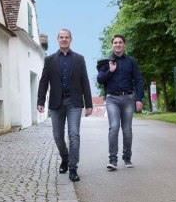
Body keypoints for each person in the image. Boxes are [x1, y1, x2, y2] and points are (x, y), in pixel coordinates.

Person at [37, 29, 93, 182]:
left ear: (71, 39)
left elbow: (85, 82)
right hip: (56, 102)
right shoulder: (50, 60)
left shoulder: (79, 59)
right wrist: (40, 101)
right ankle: (65, 158)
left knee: (74, 135)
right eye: (61, 37)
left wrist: (89, 103)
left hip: (74, 102)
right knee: (57, 136)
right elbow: (44, 81)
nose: (64, 40)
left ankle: (73, 168)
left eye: (66, 37)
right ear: (57, 39)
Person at [97, 34, 143, 170]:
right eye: (115, 42)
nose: (118, 44)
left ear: (124, 44)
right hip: (112, 99)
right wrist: (110, 72)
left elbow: (139, 80)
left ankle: (127, 158)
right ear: (112, 45)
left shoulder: (131, 62)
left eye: (120, 42)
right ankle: (113, 160)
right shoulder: (106, 62)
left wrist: (139, 99)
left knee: (127, 130)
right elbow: (100, 79)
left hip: (128, 98)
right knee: (114, 127)